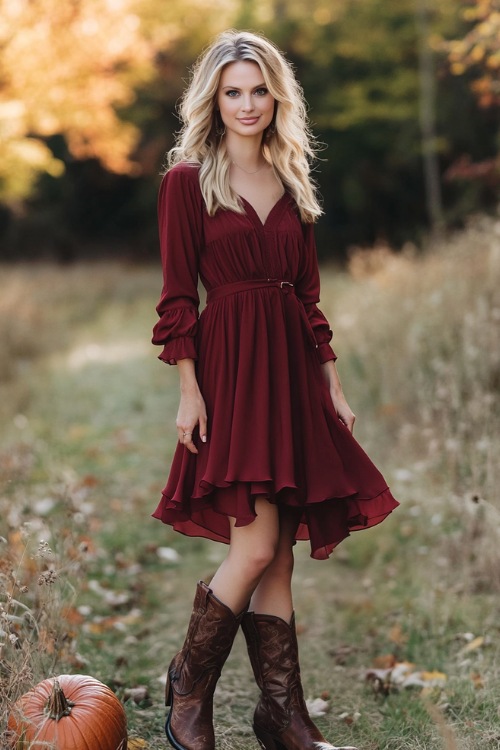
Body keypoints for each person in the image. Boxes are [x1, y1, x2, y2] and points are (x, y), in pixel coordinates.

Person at [151, 29, 399, 750]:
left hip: (291, 370)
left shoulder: (292, 180)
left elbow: (309, 299)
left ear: (276, 95)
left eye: (259, 89)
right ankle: (187, 687)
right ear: (214, 99)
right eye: (233, 91)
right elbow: (176, 300)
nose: (248, 103)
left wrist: (334, 385)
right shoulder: (187, 180)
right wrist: (189, 391)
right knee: (254, 547)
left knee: (280, 550)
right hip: (230, 370)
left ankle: (281, 717)